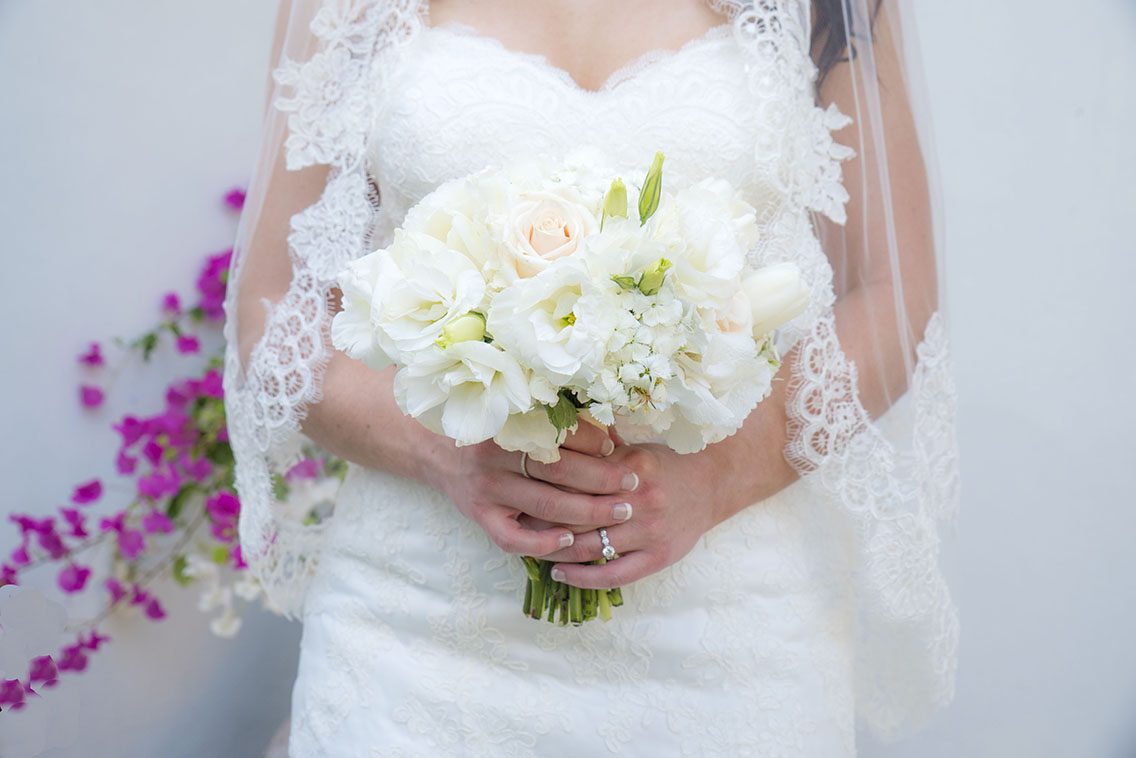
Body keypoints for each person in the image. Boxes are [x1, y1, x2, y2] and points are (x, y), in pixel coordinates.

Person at [223, 0, 960, 754]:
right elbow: (272, 302)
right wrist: (441, 450)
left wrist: (725, 474)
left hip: (729, 627)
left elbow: (894, 293)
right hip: (419, 623)